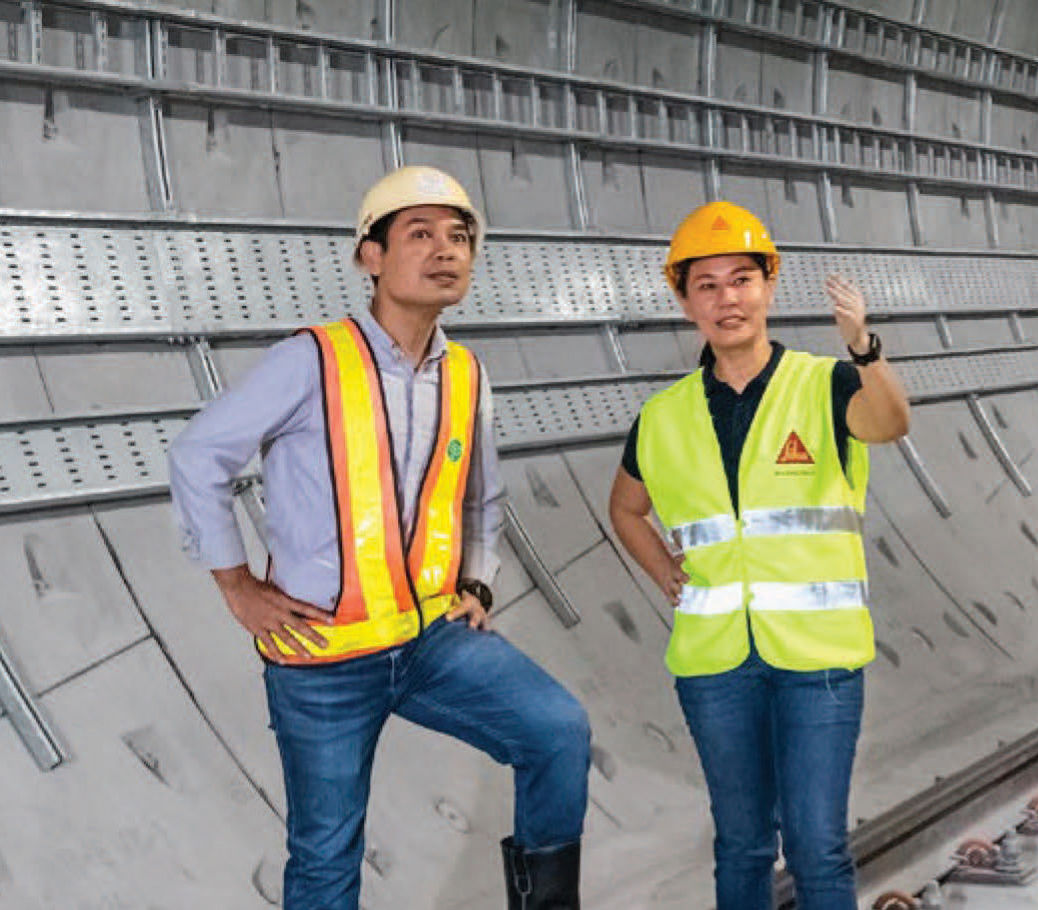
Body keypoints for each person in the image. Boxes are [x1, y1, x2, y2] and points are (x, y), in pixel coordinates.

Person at [167, 166, 590, 910]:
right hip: (324, 662)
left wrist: (478, 581)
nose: (445, 250)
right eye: (419, 234)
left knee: (556, 730)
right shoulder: (312, 359)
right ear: (372, 255)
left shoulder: (466, 373)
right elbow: (200, 455)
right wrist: (237, 586)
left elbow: (483, 493)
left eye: (459, 237)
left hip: (432, 642)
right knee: (327, 852)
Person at [607, 200, 911, 909]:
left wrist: (862, 347)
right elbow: (625, 507)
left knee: (815, 844)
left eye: (741, 279)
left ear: (769, 287)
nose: (726, 298)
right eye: (705, 285)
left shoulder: (826, 384)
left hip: (819, 661)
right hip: (715, 664)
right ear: (685, 301)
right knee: (741, 844)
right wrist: (666, 574)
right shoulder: (663, 416)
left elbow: (892, 423)